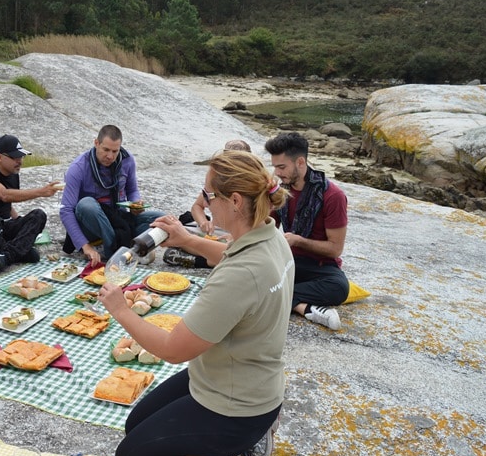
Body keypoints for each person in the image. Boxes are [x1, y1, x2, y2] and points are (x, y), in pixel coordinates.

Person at [97, 150, 292, 456]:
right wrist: (187, 239)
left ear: (233, 201)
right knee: (135, 424)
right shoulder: (270, 235)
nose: (204, 202)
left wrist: (120, 309)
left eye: (208, 195)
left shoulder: (241, 276)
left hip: (236, 405)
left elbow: (174, 350)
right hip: (236, 379)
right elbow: (227, 253)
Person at [264, 132, 349, 330]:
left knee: (339, 288)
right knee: (249, 272)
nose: (276, 172)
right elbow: (268, 225)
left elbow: (335, 249)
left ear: (300, 162)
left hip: (318, 267)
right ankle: (305, 308)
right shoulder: (281, 189)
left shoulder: (333, 196)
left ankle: (274, 296)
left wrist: (298, 241)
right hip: (287, 259)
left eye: (281, 167)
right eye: (275, 166)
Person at [60, 124, 164, 265]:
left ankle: (128, 245)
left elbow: (132, 190)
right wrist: (86, 246)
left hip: (118, 219)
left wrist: (135, 204)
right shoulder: (79, 167)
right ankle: (114, 251)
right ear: (96, 143)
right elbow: (66, 210)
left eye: (115, 151)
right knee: (86, 204)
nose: (110, 156)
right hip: (92, 223)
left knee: (160, 219)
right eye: (106, 150)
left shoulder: (127, 161)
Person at [0, 135, 60, 273]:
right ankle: (18, 251)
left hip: (4, 227)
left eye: (21, 157)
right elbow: (4, 195)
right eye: (15, 157)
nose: (20, 161)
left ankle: (6, 256)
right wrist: (41, 192)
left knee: (38, 215)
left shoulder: (13, 174)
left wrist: (21, 224)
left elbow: (8, 206)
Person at [164, 139, 252, 269]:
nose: (207, 203)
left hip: (239, 235)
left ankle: (203, 261)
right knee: (173, 231)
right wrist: (203, 222)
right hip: (218, 231)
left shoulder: (251, 185)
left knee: (238, 250)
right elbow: (198, 206)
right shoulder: (219, 178)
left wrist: (237, 235)